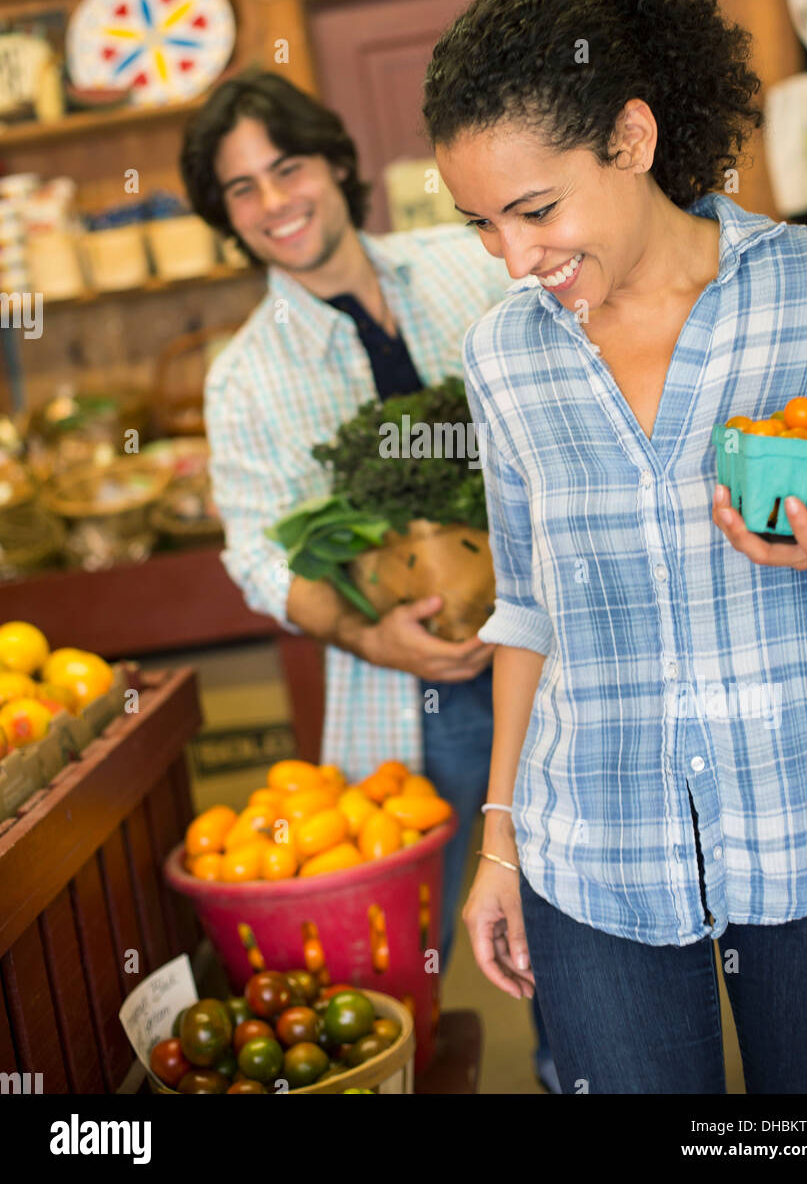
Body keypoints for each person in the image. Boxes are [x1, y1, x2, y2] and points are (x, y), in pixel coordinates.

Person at [421, 0, 807, 1094]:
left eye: (532, 208)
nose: (512, 256)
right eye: (479, 223)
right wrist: (498, 847)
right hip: (597, 852)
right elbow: (524, 613)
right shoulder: (503, 357)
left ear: (629, 138)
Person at [180, 69, 560, 1089]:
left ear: (336, 164)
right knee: (395, 968)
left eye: (287, 167)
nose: (274, 202)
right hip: (412, 698)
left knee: (576, 913)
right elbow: (257, 553)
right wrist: (369, 636)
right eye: (242, 189)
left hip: (557, 650)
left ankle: (585, 1067)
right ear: (226, 216)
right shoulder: (245, 376)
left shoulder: (462, 265)